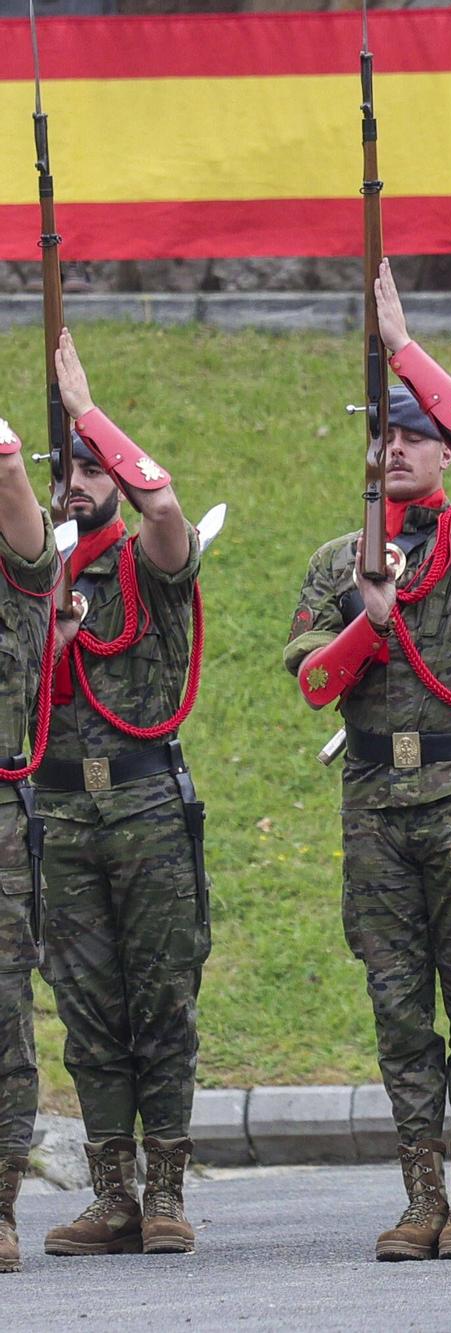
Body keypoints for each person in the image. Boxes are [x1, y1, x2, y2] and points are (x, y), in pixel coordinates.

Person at [284, 261, 451, 1262]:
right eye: (382, 437)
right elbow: (307, 676)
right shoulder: (341, 560)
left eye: (409, 436)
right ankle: (417, 1191)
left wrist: (406, 347)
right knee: (395, 1001)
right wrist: (365, 625)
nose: (395, 451)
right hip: (377, 799)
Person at [36, 329, 208, 1260]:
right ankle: (112, 1196)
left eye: (93, 466)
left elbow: (165, 503)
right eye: (68, 467)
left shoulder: (150, 565)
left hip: (144, 810)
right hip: (60, 817)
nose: (79, 480)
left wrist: (86, 408)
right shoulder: (38, 577)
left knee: (160, 1002)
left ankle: (168, 1192)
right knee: (88, 1010)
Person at [0, 410, 56, 1275]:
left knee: (4, 1017)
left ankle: (0, 1204)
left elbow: (26, 526)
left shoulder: (17, 576)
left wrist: (7, 447)